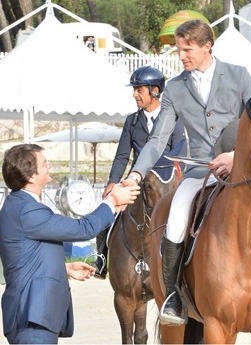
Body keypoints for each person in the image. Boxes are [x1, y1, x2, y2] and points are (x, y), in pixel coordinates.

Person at [122, 19, 251, 325]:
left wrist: (236, 156)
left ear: (206, 46)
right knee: (176, 219)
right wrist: (136, 174)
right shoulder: (174, 88)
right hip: (200, 172)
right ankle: (173, 298)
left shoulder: (238, 76)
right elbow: (158, 140)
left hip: (248, 170)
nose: (181, 55)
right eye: (179, 49)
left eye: (187, 49)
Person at [0, 143, 140, 344]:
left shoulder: (20, 205)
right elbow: (83, 229)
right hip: (32, 316)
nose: (49, 166)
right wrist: (112, 201)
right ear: (30, 177)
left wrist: (63, 268)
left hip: (34, 316)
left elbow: (26, 255)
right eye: (45, 163)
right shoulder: (27, 210)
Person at [92, 66, 186, 279]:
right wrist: (112, 181)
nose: (135, 94)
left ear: (155, 91)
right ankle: (102, 257)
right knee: (109, 206)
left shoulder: (174, 118)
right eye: (134, 90)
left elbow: (178, 150)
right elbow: (122, 155)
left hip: (166, 178)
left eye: (139, 90)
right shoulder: (132, 121)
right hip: (137, 180)